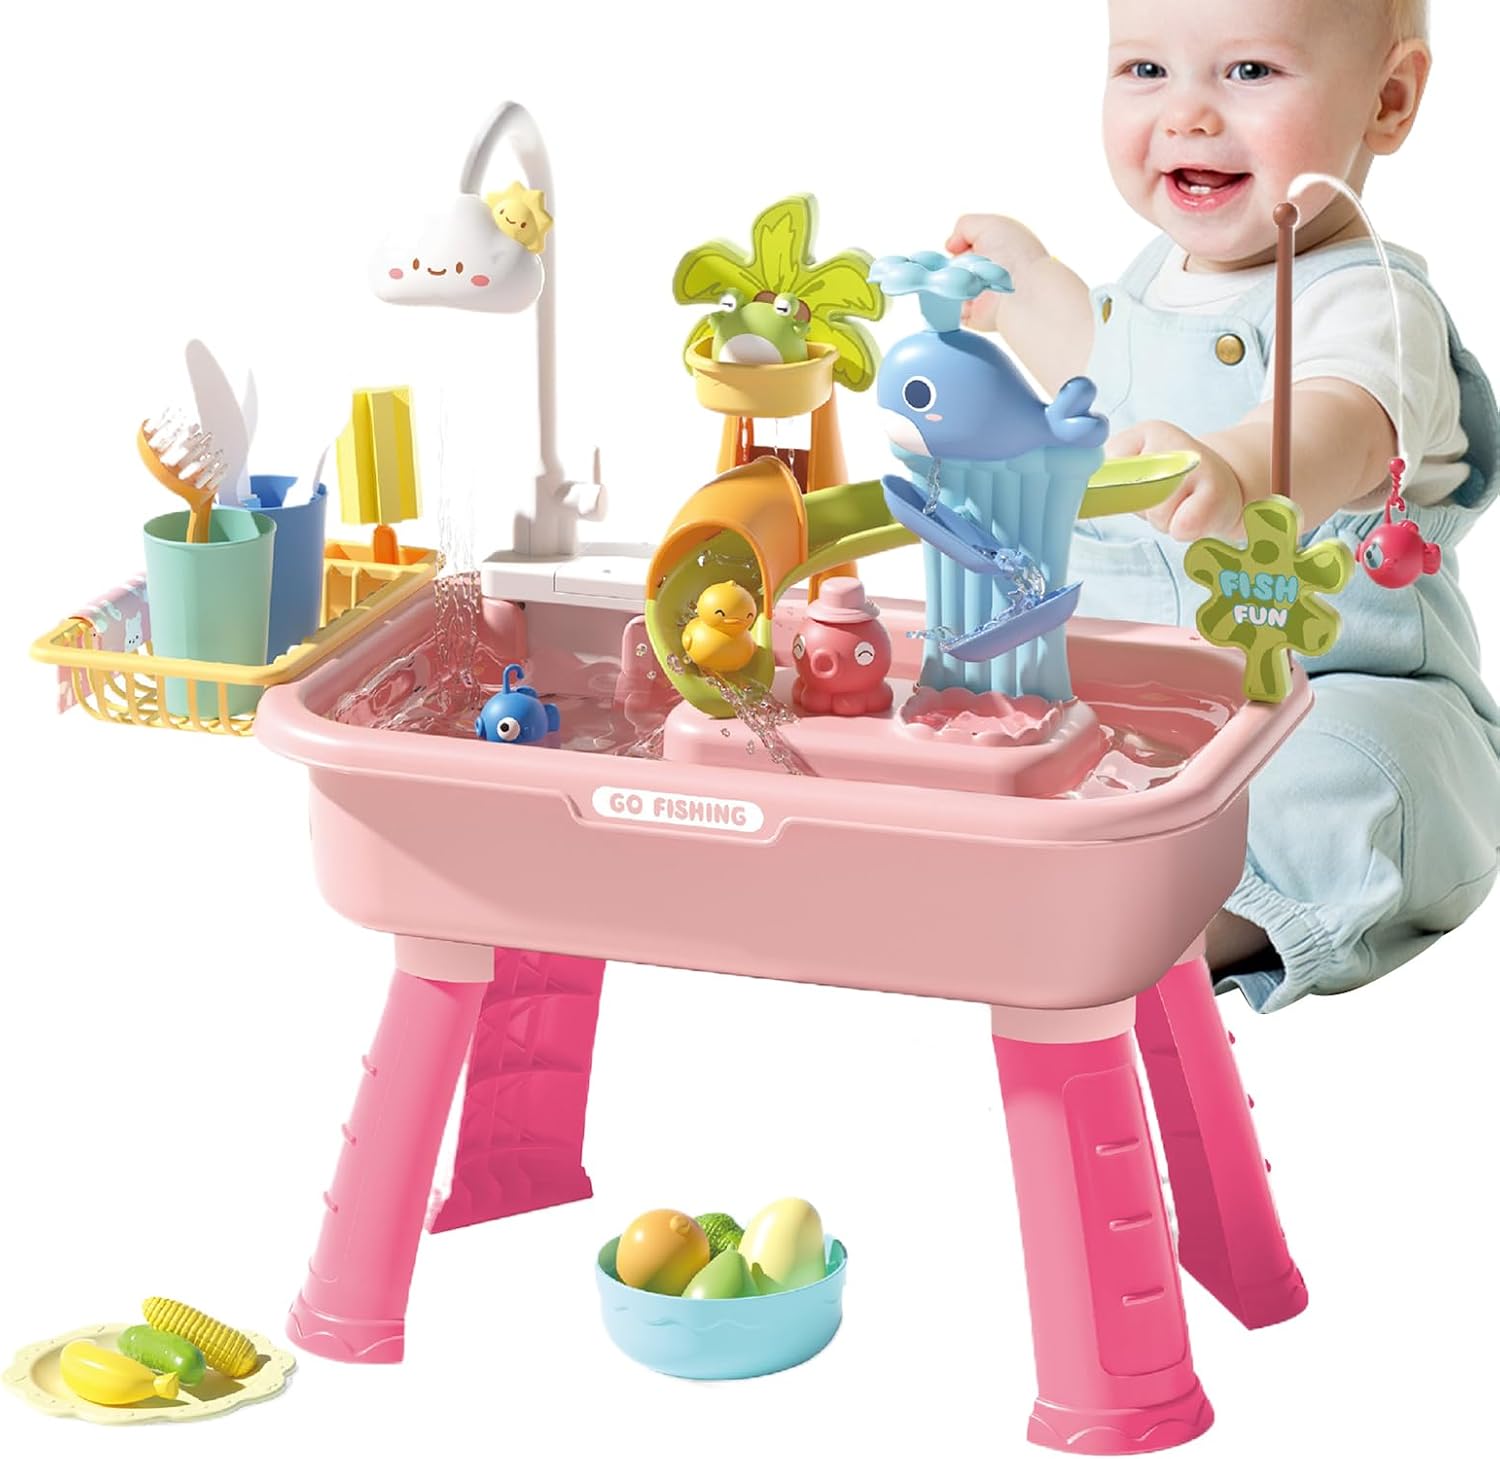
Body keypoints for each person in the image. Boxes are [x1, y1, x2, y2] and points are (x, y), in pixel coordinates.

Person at [951, 0, 1500, 1011]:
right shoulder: (1158, 278)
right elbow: (1100, 371)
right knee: (995, 710)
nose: (1188, 115)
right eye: (1145, 70)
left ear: (1387, 99)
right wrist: (1022, 286)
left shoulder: (1369, 305)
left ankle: (1195, 923)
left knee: (1346, 774)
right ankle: (1034, 867)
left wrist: (1242, 470)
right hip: (1150, 702)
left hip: (1327, 692)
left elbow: (1339, 421)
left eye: (1249, 72)